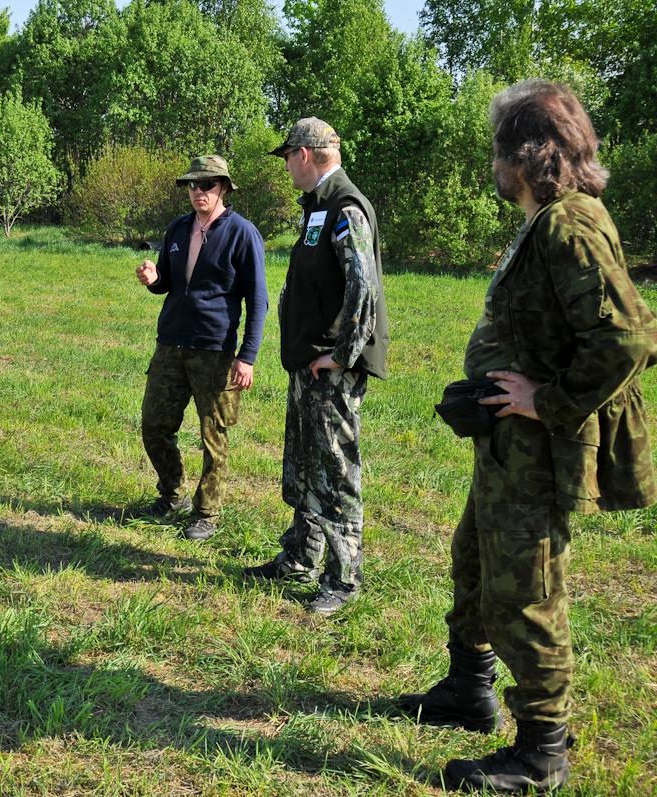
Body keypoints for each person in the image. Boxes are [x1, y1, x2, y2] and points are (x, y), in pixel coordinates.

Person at [396, 80, 657, 794]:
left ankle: (542, 750)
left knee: (529, 589)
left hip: (538, 448)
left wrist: (546, 401)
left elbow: (629, 335)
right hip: (505, 446)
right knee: (476, 560)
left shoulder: (571, 221)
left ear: (526, 152)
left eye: (500, 146)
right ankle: (467, 690)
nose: (494, 161)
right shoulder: (547, 219)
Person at [245, 118, 389, 615]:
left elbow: (362, 288)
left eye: (287, 156)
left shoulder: (346, 207)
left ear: (305, 154)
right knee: (305, 464)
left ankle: (343, 579)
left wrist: (342, 355)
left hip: (330, 370)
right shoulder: (319, 208)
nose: (285, 165)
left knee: (335, 470)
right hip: (307, 365)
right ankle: (300, 556)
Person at [134, 155, 269, 540]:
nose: (198, 192)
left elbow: (257, 300)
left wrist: (248, 356)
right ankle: (171, 494)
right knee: (153, 424)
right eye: (192, 186)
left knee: (214, 435)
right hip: (170, 345)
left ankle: (206, 513)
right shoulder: (178, 229)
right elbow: (167, 284)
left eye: (206, 185)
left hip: (216, 351)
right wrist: (153, 278)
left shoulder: (243, 233)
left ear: (224, 188)